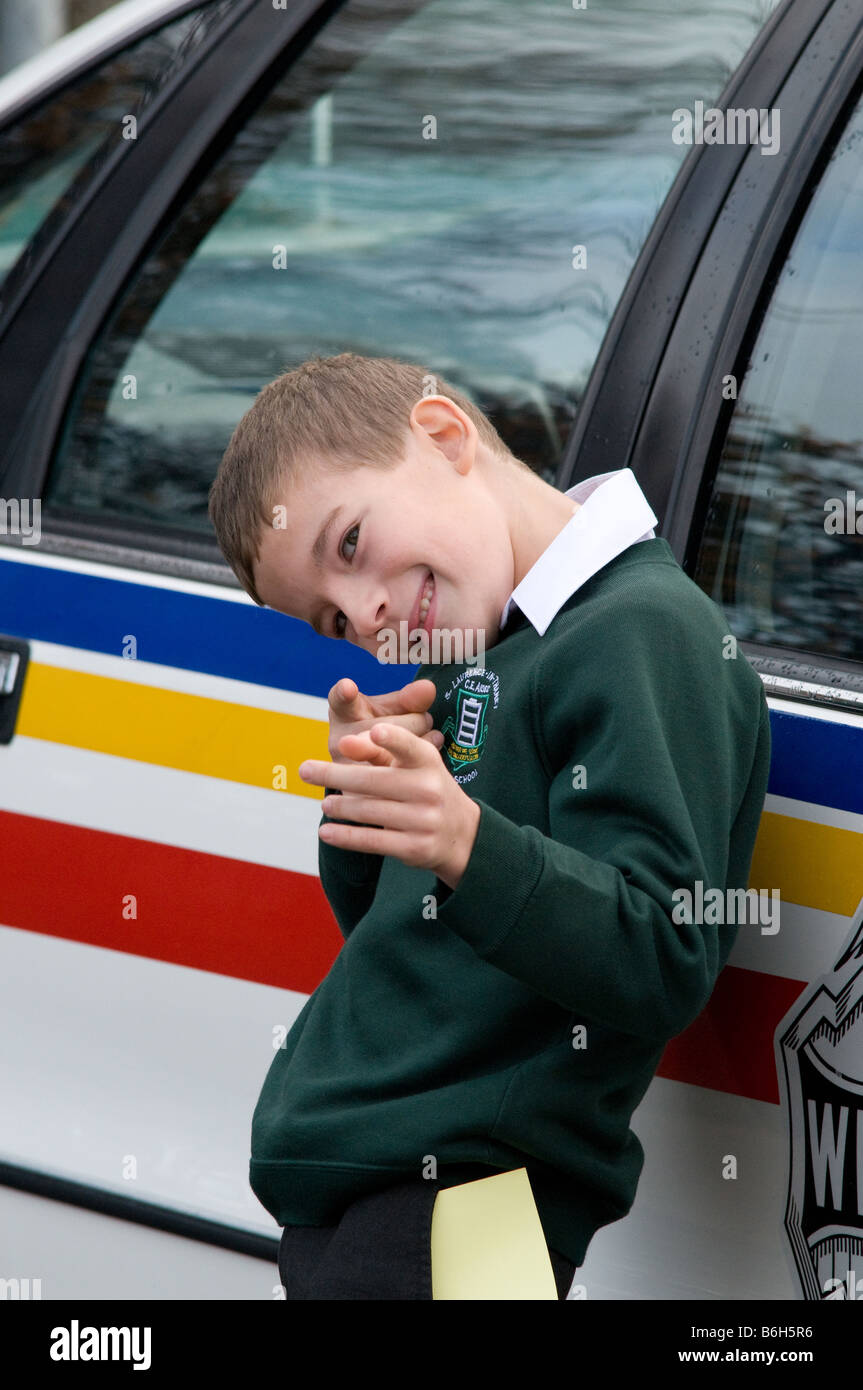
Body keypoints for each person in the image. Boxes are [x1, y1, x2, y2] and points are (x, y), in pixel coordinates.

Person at [207, 353, 772, 1300]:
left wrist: (465, 842)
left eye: (348, 546)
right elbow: (408, 951)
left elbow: (662, 951)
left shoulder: (642, 632)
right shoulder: (482, 634)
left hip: (475, 1207)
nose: (367, 615)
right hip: (358, 1196)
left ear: (442, 436)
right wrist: (370, 803)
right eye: (331, 621)